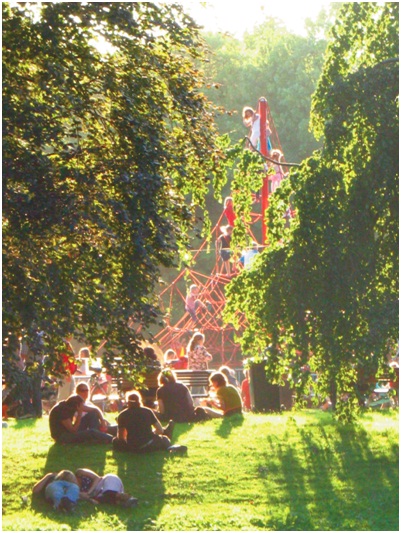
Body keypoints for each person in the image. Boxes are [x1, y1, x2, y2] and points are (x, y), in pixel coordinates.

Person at [113, 391, 186, 454]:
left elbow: (121, 437)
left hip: (133, 447)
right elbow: (160, 430)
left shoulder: (122, 415)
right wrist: (152, 433)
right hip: (148, 444)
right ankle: (170, 447)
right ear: (140, 400)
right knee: (164, 438)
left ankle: (167, 431)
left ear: (127, 402)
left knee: (115, 441)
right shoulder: (147, 411)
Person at [49, 394, 113, 444]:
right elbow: (73, 430)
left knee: (92, 414)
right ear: (77, 406)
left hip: (70, 431)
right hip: (62, 436)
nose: (83, 407)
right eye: (82, 405)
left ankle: (98, 436)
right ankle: (112, 439)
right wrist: (79, 414)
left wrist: (102, 420)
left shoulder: (69, 405)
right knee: (92, 432)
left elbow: (95, 409)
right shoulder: (62, 410)